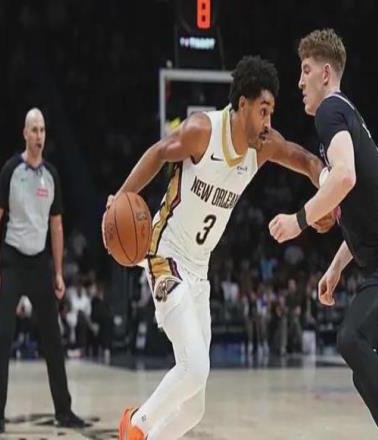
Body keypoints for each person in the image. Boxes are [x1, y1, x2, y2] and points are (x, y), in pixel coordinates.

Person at [102, 56, 335, 440]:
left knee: (194, 408)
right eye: (263, 111)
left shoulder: (262, 146)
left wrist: (326, 192)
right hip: (165, 256)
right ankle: (135, 425)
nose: (268, 122)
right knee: (194, 368)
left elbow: (306, 160)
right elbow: (159, 152)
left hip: (199, 270)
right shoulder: (202, 131)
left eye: (271, 112)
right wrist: (120, 197)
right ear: (242, 105)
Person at [269, 29, 378, 439]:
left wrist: (298, 220)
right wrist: (337, 267)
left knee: (352, 338)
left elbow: (345, 177)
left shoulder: (331, 111)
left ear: (326, 73)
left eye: (305, 71)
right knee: (361, 365)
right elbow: (361, 211)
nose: (299, 82)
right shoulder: (344, 119)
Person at [0, 108, 85, 436]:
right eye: (34, 130)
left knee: (53, 339)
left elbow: (57, 227)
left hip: (40, 262)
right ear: (24, 134)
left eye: (43, 130)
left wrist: (58, 272)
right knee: (3, 336)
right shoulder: (10, 170)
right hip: (12, 260)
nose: (39, 135)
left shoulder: (51, 175)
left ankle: (64, 411)